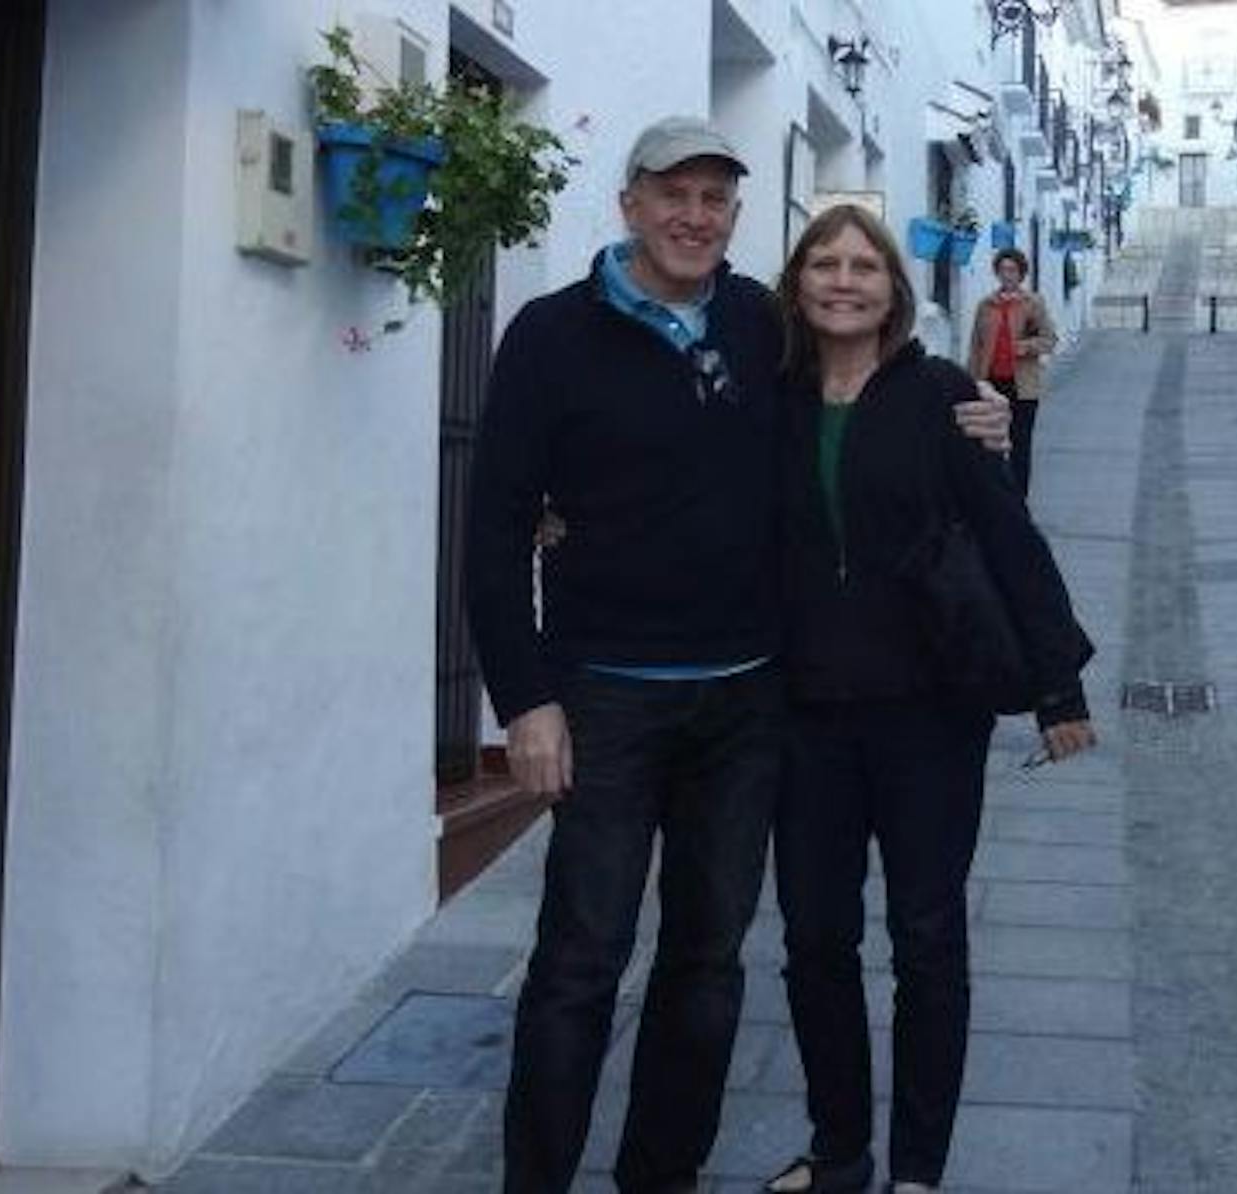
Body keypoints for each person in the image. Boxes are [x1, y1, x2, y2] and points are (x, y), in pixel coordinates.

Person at [466, 118, 1006, 1194]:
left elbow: (866, 370)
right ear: (629, 204)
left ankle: (659, 1174)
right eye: (673, 194)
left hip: (748, 700)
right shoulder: (549, 334)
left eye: (715, 199)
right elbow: (492, 521)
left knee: (707, 966)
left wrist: (972, 408)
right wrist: (525, 698)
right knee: (581, 961)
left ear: (734, 218)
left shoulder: (764, 329)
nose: (693, 216)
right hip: (606, 697)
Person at [763, 206, 1097, 1194]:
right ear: (797, 282)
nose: (843, 280)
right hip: (804, 717)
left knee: (927, 940)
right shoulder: (765, 397)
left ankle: (916, 1171)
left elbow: (1009, 540)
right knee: (816, 940)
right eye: (823, 263)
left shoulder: (944, 395)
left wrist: (1058, 687)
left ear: (895, 291)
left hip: (927, 718)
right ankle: (840, 1154)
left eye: (864, 265)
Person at [965, 247, 1058, 497]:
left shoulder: (1033, 303)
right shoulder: (986, 305)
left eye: (1012, 270)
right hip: (992, 385)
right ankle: (993, 497)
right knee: (988, 444)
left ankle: (1018, 501)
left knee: (1020, 445)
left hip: (1023, 387)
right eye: (1002, 269)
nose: (1007, 275)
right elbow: (976, 346)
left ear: (1021, 273)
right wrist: (971, 382)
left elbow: (1049, 339)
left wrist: (1025, 347)